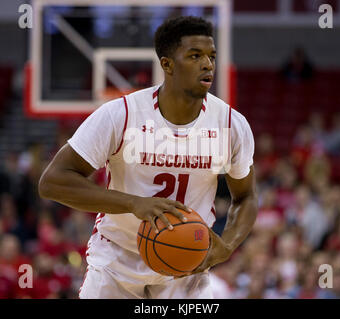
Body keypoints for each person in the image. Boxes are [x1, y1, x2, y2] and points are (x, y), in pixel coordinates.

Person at [38, 16, 258, 299]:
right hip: (117, 260)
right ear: (167, 64)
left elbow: (247, 197)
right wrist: (133, 203)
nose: (208, 64)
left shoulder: (230, 123)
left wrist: (226, 246)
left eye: (211, 56)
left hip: (186, 263)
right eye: (195, 56)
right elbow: (53, 182)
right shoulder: (121, 114)